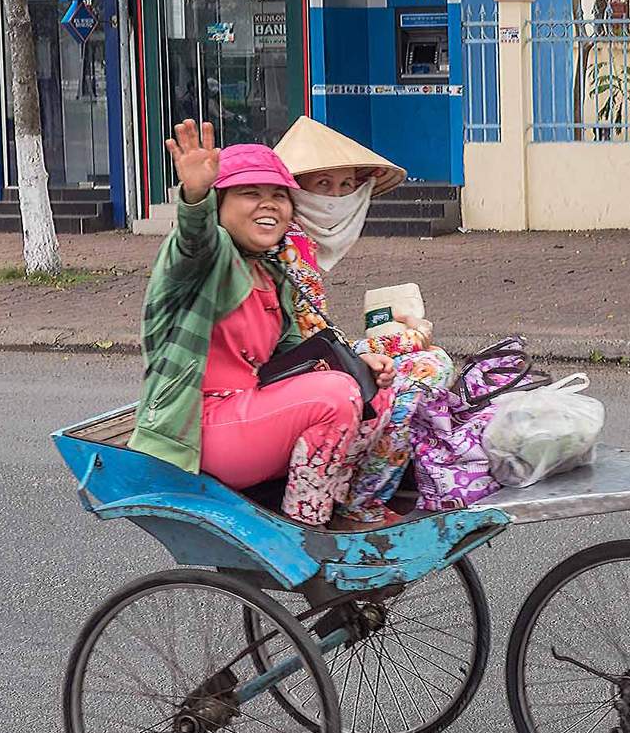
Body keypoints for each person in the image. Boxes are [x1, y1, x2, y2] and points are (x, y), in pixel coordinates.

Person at [128, 120, 395, 529]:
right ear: (220, 205)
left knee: (375, 392)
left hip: (251, 412)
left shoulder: (273, 272)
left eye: (279, 196)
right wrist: (196, 196)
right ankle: (305, 526)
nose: (268, 204)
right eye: (250, 194)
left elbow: (296, 357)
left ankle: (342, 502)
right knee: (336, 395)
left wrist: (360, 363)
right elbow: (193, 239)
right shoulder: (204, 261)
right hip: (201, 428)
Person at [272, 116, 456, 527]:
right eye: (322, 186)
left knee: (424, 357)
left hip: (300, 365)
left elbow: (315, 334)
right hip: (290, 378)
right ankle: (364, 499)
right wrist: (405, 341)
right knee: (429, 368)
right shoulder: (288, 244)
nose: (337, 197)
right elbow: (313, 345)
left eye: (345, 185)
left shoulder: (298, 239)